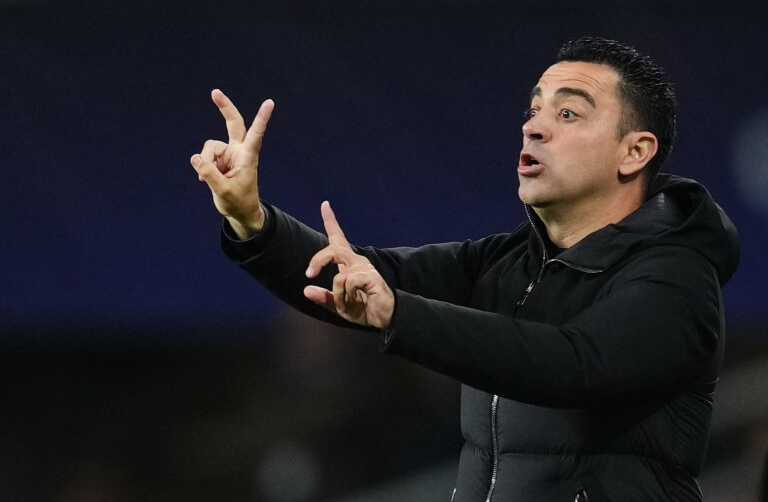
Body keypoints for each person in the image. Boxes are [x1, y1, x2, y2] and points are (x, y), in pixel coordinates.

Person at [189, 37, 740, 501]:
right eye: (533, 111)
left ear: (634, 152)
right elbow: (349, 277)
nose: (534, 128)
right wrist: (251, 217)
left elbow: (574, 365)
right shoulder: (505, 264)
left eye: (568, 113)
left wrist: (399, 314)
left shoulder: (678, 276)